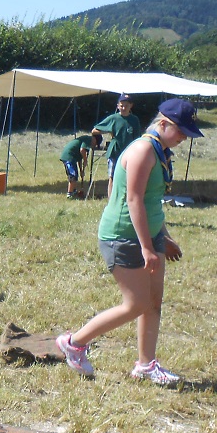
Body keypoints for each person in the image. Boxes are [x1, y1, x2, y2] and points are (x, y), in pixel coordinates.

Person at [56, 98, 202, 387]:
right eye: (181, 131)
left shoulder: (161, 151)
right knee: (136, 304)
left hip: (149, 233)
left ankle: (146, 365)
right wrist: (147, 247)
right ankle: (74, 343)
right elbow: (132, 199)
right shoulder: (142, 150)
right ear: (164, 124)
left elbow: (151, 201)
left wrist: (163, 237)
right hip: (123, 236)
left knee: (153, 303)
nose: (184, 138)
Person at [92, 94, 142, 200]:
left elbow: (138, 138)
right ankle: (111, 200)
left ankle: (126, 199)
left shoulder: (134, 120)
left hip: (129, 153)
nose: (123, 108)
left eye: (126, 106)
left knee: (128, 177)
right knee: (112, 177)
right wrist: (109, 130)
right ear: (118, 106)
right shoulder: (113, 118)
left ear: (131, 106)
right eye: (121, 105)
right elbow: (94, 130)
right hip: (114, 152)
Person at [59, 133, 97, 199]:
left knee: (75, 175)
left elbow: (79, 159)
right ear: (94, 139)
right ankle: (70, 194)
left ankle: (73, 191)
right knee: (73, 175)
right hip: (69, 156)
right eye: (95, 143)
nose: (93, 146)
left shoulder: (86, 141)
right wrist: (85, 160)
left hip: (71, 157)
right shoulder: (88, 139)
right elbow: (82, 150)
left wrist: (81, 170)